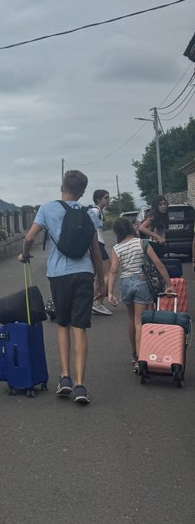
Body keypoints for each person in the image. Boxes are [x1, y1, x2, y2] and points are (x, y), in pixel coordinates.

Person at [18, 169, 106, 405]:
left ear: (62, 186)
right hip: (84, 273)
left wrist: (24, 255)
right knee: (80, 327)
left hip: (59, 275)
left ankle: (65, 377)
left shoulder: (47, 208)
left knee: (62, 324)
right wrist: (103, 281)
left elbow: (28, 238)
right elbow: (96, 252)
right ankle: (80, 385)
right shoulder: (91, 214)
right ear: (83, 191)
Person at [107, 216, 173, 371]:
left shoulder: (117, 248)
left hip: (126, 283)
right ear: (131, 228)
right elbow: (158, 264)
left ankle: (134, 353)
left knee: (131, 320)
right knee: (140, 322)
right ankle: (140, 358)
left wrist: (110, 292)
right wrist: (169, 284)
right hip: (142, 282)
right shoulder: (142, 243)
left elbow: (113, 270)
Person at [88, 189, 113, 315]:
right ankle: (98, 302)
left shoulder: (98, 211)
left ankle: (95, 302)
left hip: (98, 243)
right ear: (98, 199)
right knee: (108, 272)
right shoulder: (95, 211)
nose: (109, 199)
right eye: (106, 197)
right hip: (98, 244)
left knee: (100, 274)